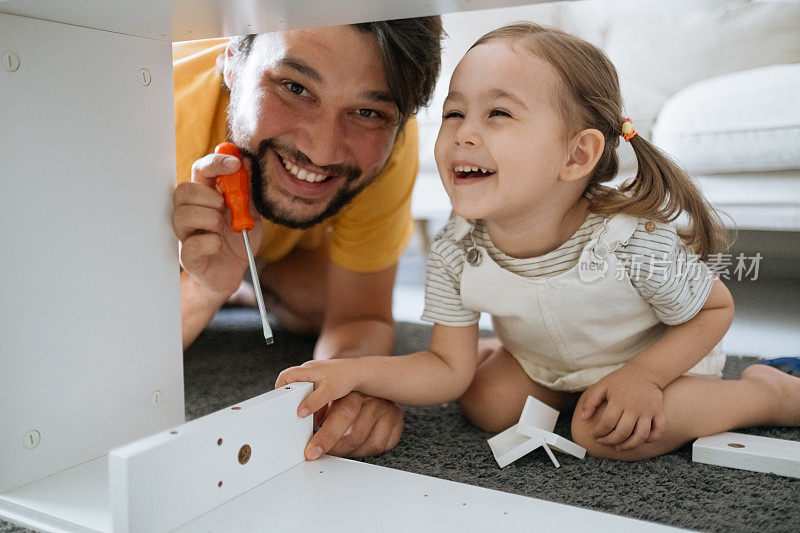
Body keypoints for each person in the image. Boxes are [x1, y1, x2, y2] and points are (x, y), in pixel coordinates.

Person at [276, 22, 800, 460]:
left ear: (575, 156)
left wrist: (643, 376)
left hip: (658, 361)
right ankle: (523, 359)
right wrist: (347, 372)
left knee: (612, 438)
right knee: (487, 405)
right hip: (548, 361)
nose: (463, 133)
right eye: (454, 112)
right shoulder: (456, 249)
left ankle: (767, 395)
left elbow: (714, 311)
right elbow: (445, 370)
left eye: (497, 114)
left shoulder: (629, 239)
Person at [172, 19, 443, 460]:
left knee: (322, 299)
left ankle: (251, 264)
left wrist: (350, 384)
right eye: (295, 88)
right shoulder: (148, 124)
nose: (321, 150)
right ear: (232, 62)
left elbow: (361, 317)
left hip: (267, 250)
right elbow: (94, 376)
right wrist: (204, 289)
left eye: (368, 113)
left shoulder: (392, 144)